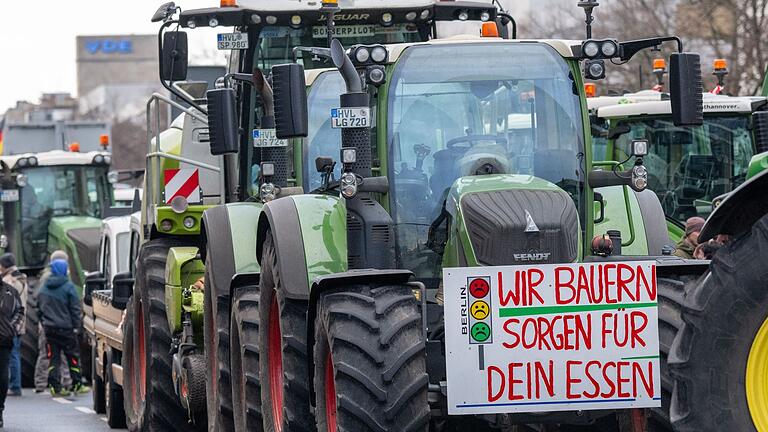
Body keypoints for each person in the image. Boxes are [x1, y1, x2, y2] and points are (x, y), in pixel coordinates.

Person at [37, 258, 88, 396]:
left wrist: (44, 323)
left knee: (53, 359)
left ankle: (55, 387)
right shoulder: (68, 287)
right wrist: (76, 327)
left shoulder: (44, 287)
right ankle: (77, 384)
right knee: (72, 357)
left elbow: (39, 309)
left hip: (49, 329)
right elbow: (75, 309)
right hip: (66, 329)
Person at [34, 250, 72, 393]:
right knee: (54, 353)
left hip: (47, 322)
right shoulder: (55, 278)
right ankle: (58, 381)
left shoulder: (46, 277)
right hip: (53, 322)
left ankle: (42, 382)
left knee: (48, 352)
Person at [0, 253, 26, 397]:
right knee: (14, 354)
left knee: (12, 356)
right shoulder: (22, 278)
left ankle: (15, 385)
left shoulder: (9, 281)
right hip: (17, 323)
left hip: (8, 326)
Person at [0, 275, 25, 427]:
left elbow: (20, 311)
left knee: (2, 377)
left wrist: (12, 328)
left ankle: (0, 408)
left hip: (3, 341)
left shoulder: (11, 291)